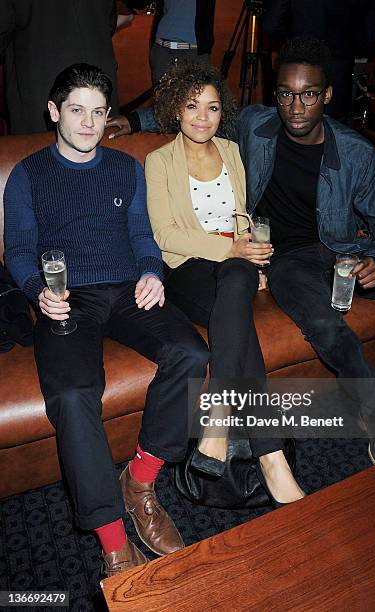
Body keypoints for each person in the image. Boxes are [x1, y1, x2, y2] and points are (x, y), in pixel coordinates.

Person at [107, 35, 375, 465]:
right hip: (286, 257)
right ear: (275, 95)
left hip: (342, 250)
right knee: (324, 321)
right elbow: (196, 111)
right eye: (286, 94)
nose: (296, 107)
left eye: (308, 95)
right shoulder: (256, 126)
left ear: (328, 95)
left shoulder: (356, 154)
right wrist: (134, 121)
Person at [3, 63, 210, 577]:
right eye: (77, 111)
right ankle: (113, 540)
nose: (89, 124)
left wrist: (151, 272)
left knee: (192, 351)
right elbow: (20, 250)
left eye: (98, 112)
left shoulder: (124, 169)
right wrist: (37, 294)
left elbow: (143, 234)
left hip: (127, 288)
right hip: (67, 297)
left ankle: (140, 480)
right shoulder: (29, 174)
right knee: (73, 394)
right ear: (54, 112)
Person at [145, 61, 304, 506]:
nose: (202, 116)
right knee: (236, 285)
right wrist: (234, 251)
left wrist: (251, 251)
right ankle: (271, 456)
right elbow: (165, 235)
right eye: (192, 106)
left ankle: (220, 420)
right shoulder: (159, 160)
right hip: (186, 269)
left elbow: (241, 220)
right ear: (176, 109)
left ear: (222, 113)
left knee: (237, 279)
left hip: (232, 267)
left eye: (212, 108)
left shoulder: (232, 151)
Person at [0, 0, 120, 134]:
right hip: (97, 85)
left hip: (44, 89)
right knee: (101, 150)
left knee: (42, 152)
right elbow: (110, 22)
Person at [262, 0, 375, 123]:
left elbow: (272, 26)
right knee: (333, 133)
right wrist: (344, 46)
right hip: (339, 75)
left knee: (286, 129)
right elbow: (371, 40)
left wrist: (295, 39)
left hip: (297, 69)